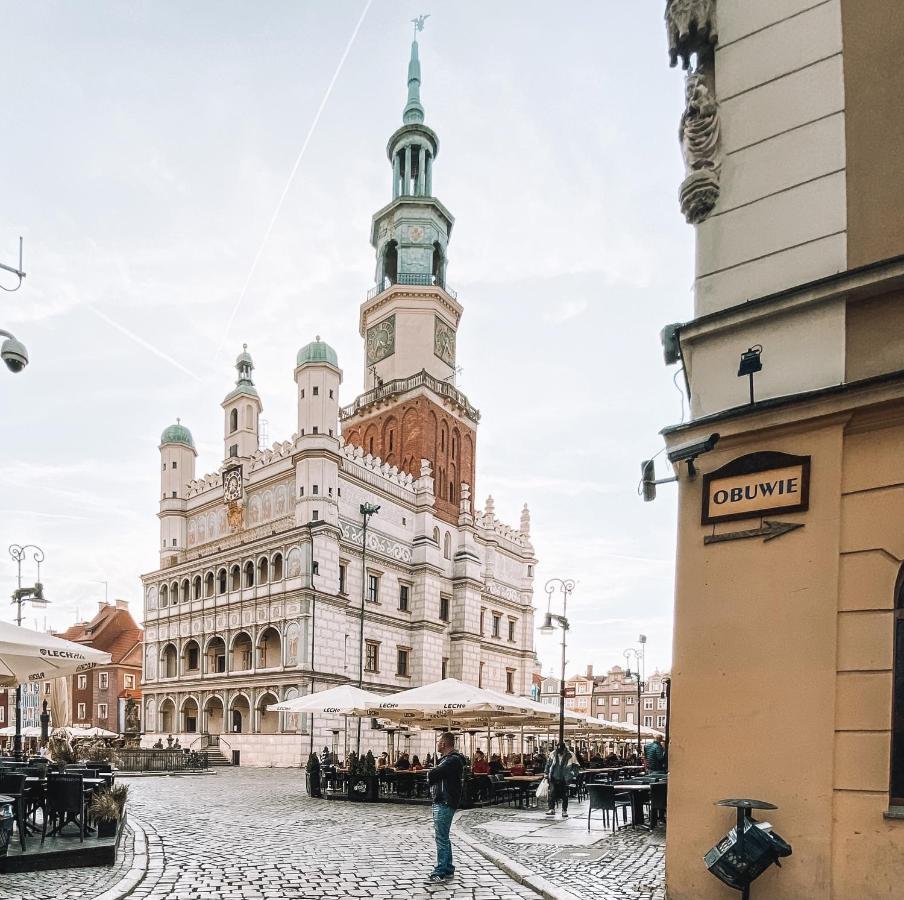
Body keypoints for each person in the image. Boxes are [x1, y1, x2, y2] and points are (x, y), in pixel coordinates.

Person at [426, 732, 465, 883]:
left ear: (443, 744)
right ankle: (448, 867)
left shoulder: (451, 761)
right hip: (444, 800)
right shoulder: (449, 760)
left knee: (441, 837)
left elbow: (433, 774)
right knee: (444, 836)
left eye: (438, 742)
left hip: (445, 801)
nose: (437, 744)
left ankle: (440, 871)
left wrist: (430, 773)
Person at [544, 742, 579, 818]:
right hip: (553, 777)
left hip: (564, 778)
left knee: (565, 795)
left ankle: (564, 810)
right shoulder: (553, 753)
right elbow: (548, 764)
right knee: (552, 793)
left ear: (564, 749)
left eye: (561, 751)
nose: (559, 753)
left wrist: (571, 774)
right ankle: (551, 809)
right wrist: (546, 773)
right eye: (558, 750)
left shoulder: (571, 755)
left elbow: (576, 767)